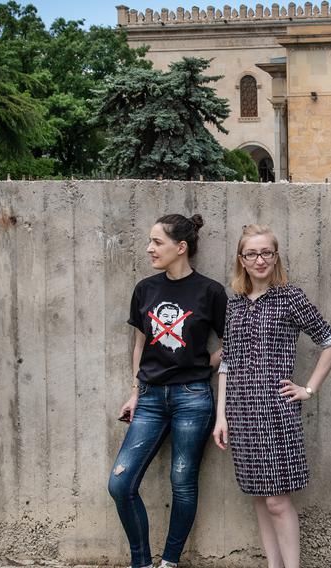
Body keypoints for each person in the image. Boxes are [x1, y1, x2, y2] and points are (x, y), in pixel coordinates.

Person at [213, 224, 331, 568]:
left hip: (275, 411)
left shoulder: (290, 297)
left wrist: (308, 389)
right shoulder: (235, 303)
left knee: (276, 501)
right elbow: (228, 361)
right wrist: (221, 415)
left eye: (266, 252)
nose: (259, 260)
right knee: (258, 496)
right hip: (240, 412)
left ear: (276, 255)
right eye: (251, 253)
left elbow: (330, 341)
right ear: (241, 259)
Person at [108, 213, 227, 568]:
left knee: (182, 481)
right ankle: (142, 562)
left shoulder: (210, 291)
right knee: (121, 484)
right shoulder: (146, 289)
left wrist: (202, 363)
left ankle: (169, 563)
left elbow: (232, 342)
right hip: (149, 398)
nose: (149, 248)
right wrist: (135, 391)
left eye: (157, 242)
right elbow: (139, 345)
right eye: (150, 241)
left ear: (181, 247)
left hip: (193, 398)